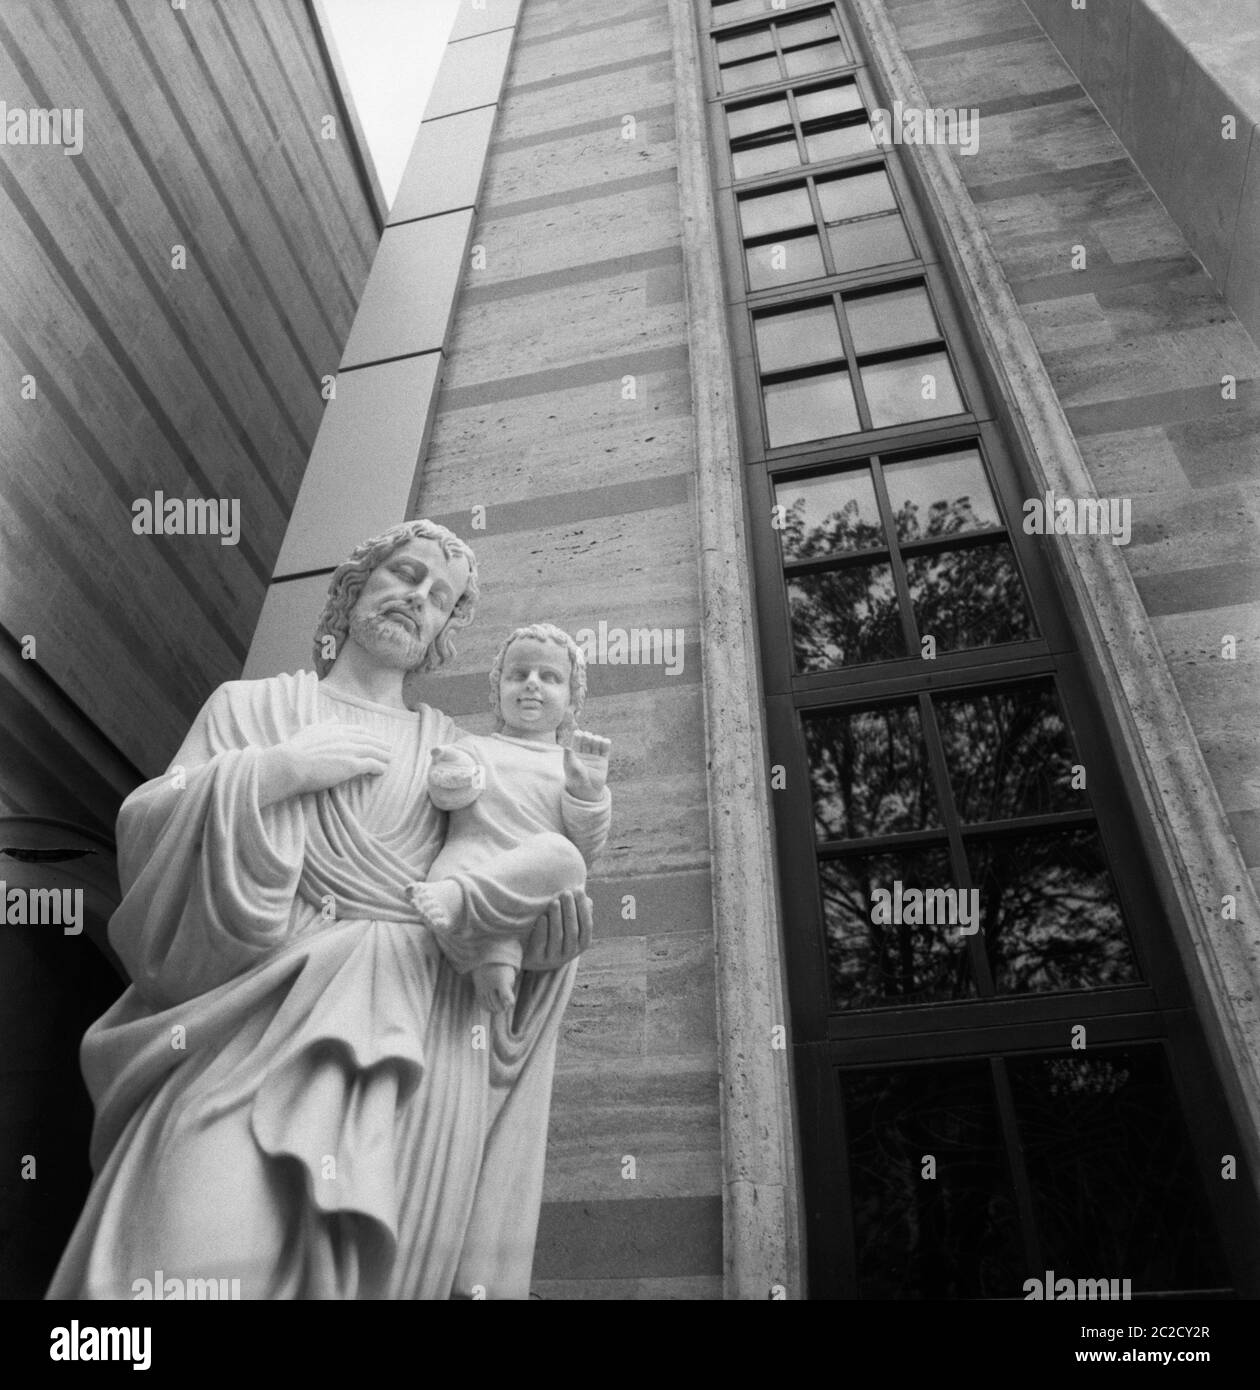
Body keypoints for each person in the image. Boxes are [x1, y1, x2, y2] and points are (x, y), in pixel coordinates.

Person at [46, 520, 592, 1300]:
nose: (417, 598)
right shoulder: (254, 709)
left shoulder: (455, 756)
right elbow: (146, 822)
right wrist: (272, 773)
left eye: (439, 597)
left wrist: (537, 958)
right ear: (352, 590)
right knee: (179, 1254)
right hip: (246, 1027)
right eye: (403, 574)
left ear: (443, 633)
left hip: (408, 1045)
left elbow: (494, 882)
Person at [409, 623, 612, 1015]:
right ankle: (488, 947)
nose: (532, 684)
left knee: (563, 856)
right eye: (519, 675)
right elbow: (447, 793)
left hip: (532, 901)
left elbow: (586, 851)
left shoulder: (567, 765)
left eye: (550, 677)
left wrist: (587, 794)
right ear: (497, 690)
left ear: (572, 701)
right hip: (468, 863)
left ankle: (493, 947)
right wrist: (452, 773)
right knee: (473, 865)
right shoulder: (475, 747)